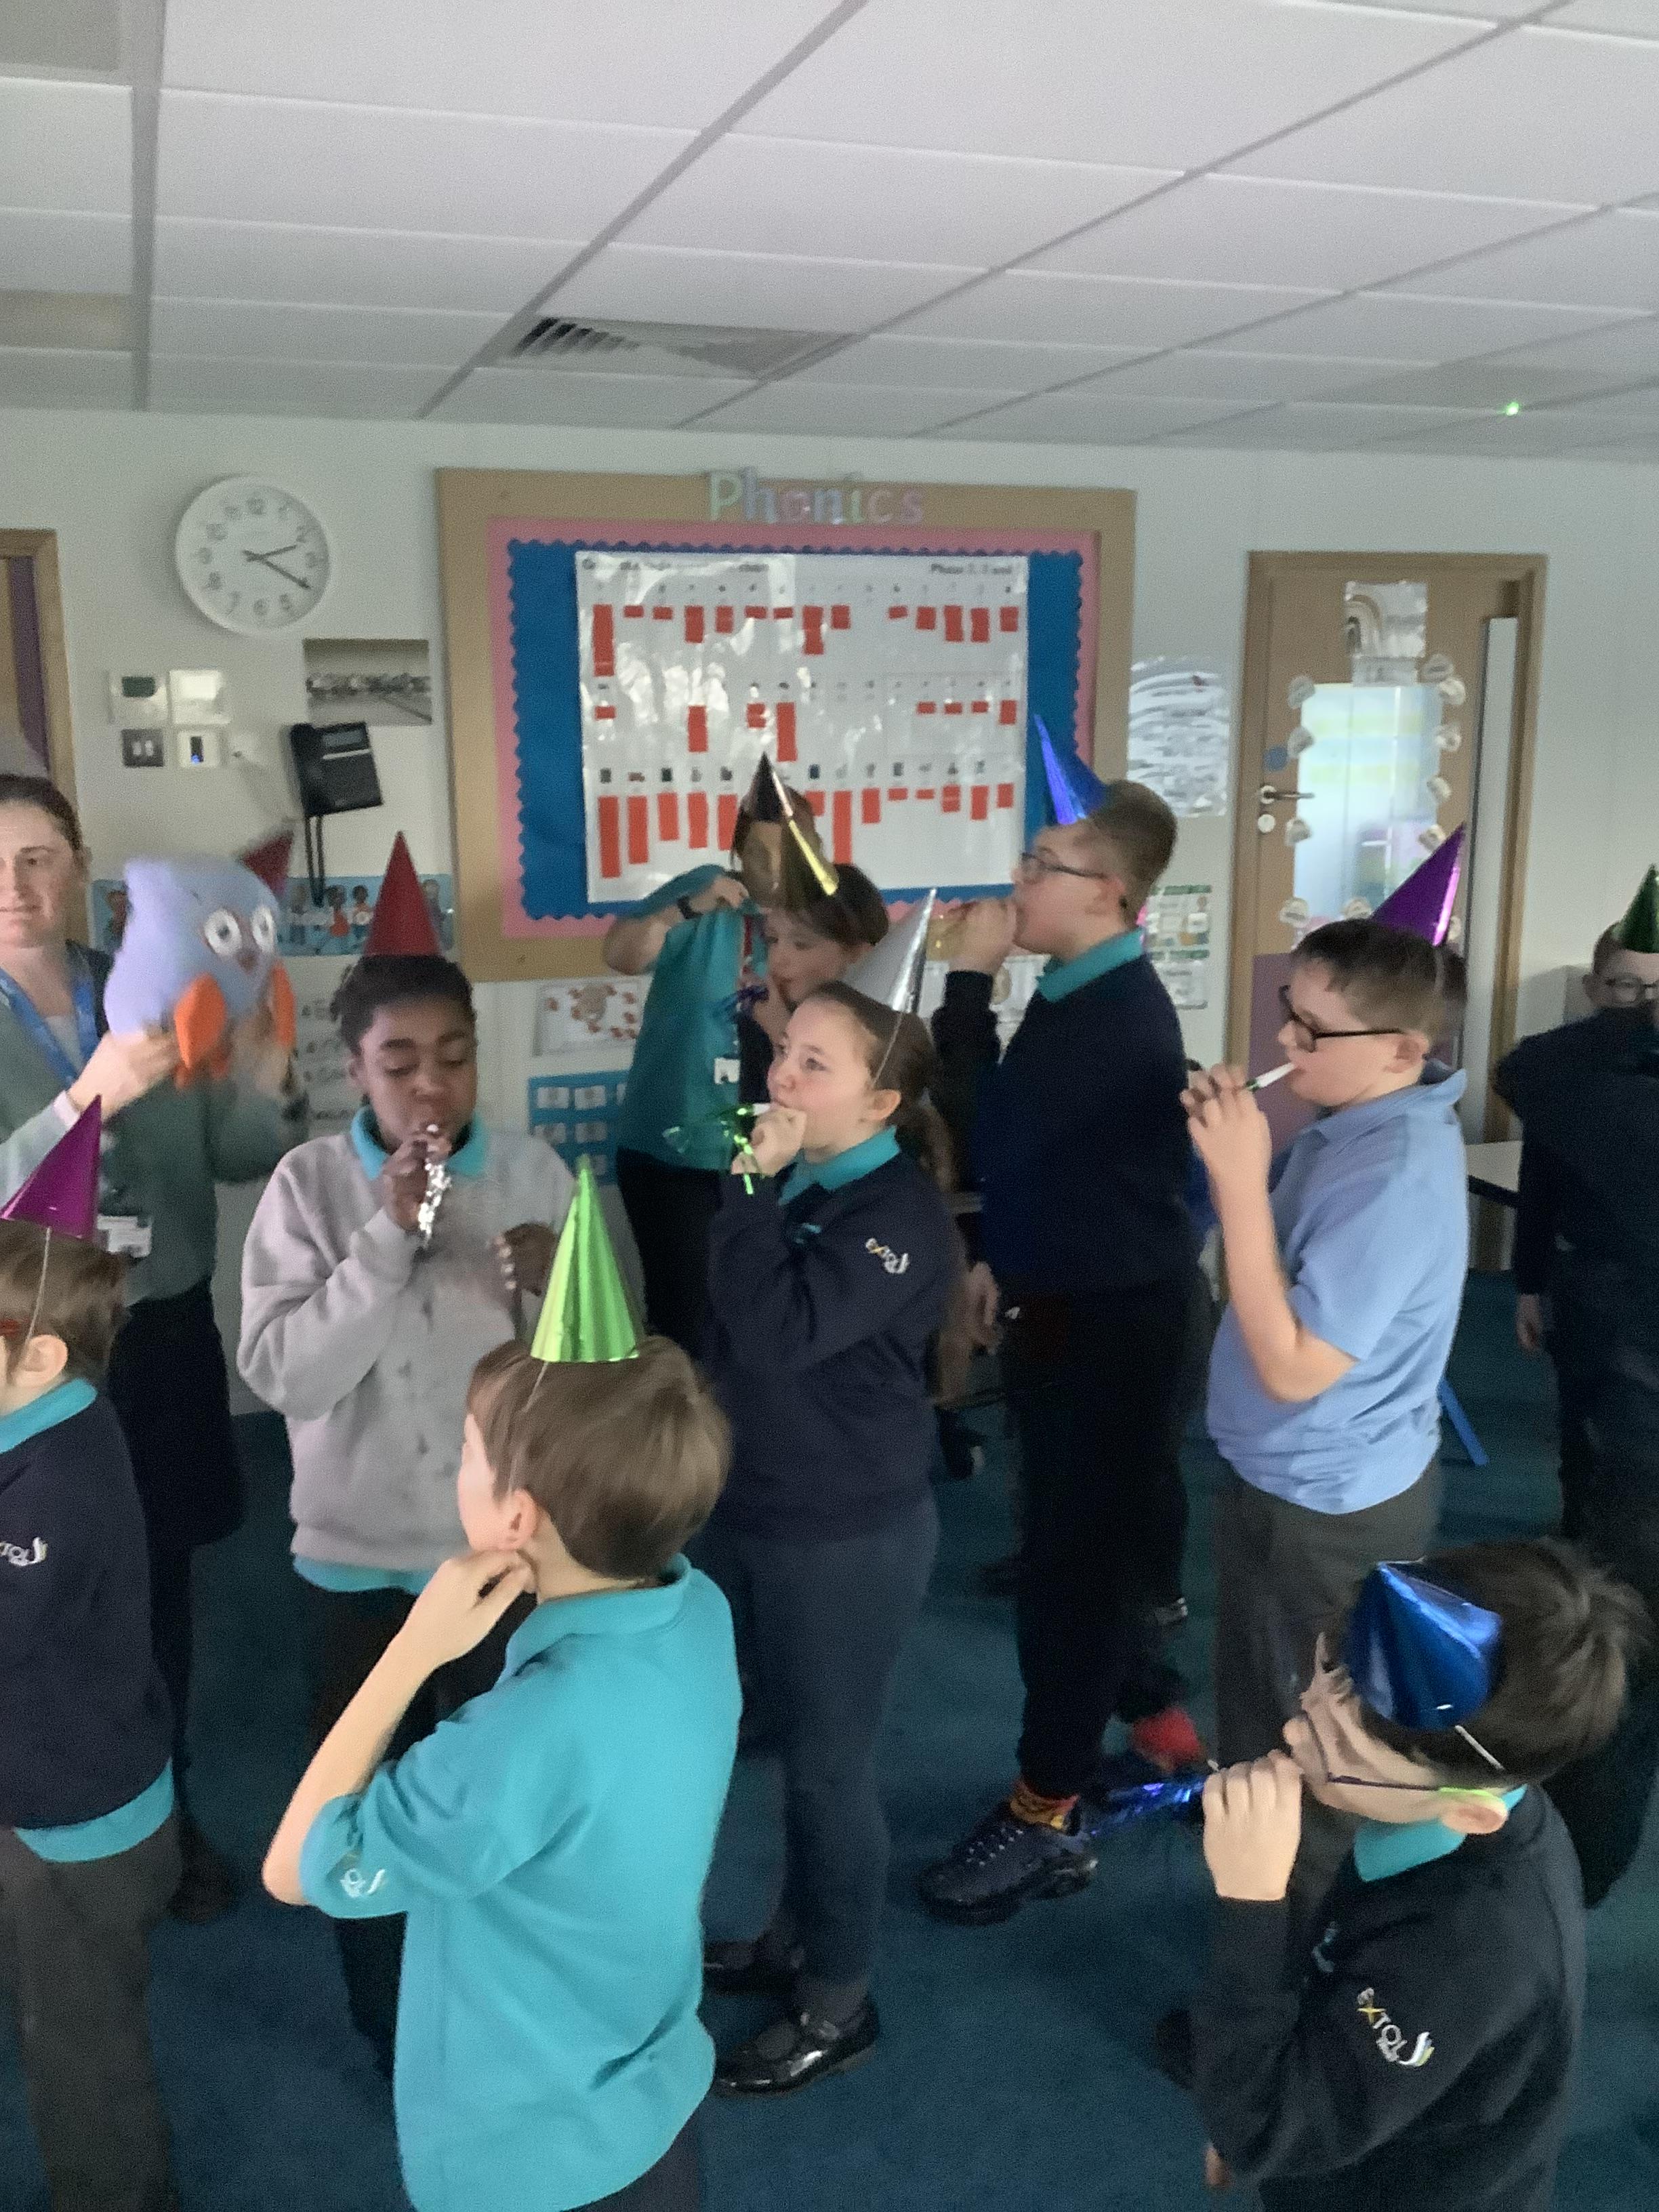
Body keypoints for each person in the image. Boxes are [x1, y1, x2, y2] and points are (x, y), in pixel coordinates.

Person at [263, 1334, 739, 2212]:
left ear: (517, 1519)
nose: (458, 1468)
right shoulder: (699, 1610)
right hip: (650, 2095)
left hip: (529, 2156)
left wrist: (410, 1653)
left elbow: (297, 1868)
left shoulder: (521, 1737)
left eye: (467, 1452)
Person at [239, 950, 573, 2074]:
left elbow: (595, 1371)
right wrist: (383, 1238)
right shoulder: (307, 1186)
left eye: (454, 1057)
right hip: (355, 1557)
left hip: (498, 1557)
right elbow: (289, 1377)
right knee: (366, 1801)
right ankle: (389, 2022)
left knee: (498, 1793)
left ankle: (495, 1995)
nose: (431, 1085)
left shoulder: (531, 1171)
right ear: (355, 1070)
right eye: (399, 1063)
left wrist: (556, 1287)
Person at [0, 772, 306, 1923]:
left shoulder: (150, 977)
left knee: (158, 1579)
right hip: (25, 1358)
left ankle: (161, 1809)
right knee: (30, 1595)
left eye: (38, 857)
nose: (16, 885)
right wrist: (82, 1097)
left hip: (161, 1328)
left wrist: (266, 1079)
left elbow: (235, 1154)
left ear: (80, 867)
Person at [920, 782, 1206, 1926]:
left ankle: (1047, 1811)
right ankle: (1158, 1726)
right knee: (1085, 1545)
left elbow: (978, 1126)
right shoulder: (1079, 988)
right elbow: (1042, 1161)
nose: (1018, 881)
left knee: (1070, 1575)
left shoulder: (1114, 1017)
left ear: (1111, 895)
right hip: (1071, 1291)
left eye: (1042, 864)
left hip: (1112, 1323)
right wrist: (1004, 1254)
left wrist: (965, 983)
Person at [1178, 1539, 1645, 2212]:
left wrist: (1252, 1905)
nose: (1298, 1729)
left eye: (1343, 1747)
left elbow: (1264, 2130)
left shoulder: (1470, 1957)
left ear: (1470, 1813)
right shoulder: (1444, 1813)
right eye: (1326, 1670)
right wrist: (1250, 2088)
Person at [698, 981, 958, 2092]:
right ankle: (787, 1938)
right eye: (784, 1051)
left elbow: (776, 1329)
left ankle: (837, 2000)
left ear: (882, 1102)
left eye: (815, 1063)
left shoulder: (898, 1217)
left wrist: (746, 1187)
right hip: (759, 1502)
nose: (782, 1077)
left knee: (827, 1771)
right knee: (787, 1746)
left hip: (846, 1530)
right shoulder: (804, 1176)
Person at [1188, 918, 1469, 1915]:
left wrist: (1236, 1181)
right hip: (1289, 1474)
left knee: (1314, 1747)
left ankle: (1286, 1958)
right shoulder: (1354, 1121)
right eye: (1288, 1013)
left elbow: (1295, 1366)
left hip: (1326, 1501)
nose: (1285, 1044)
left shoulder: (1391, 1173)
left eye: (1315, 1030)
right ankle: (1260, 1869)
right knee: (1261, 1711)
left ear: (1402, 1051)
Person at [0, 1195, 180, 2212]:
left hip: (76, 1826)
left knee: (82, 2061)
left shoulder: (57, 1488)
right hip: (40, 1784)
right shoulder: (38, 1422)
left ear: (39, 1357)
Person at [1494, 865, 1659, 1906]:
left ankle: (1583, 1862)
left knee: (1627, 1648)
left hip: (1641, 1416)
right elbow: (1538, 1102)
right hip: (1609, 1364)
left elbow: (1535, 1066)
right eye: (1623, 988)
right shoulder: (1609, 1093)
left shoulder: (1616, 1097)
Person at [605, 776, 827, 1354]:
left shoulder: (819, 926)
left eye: (790, 851)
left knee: (763, 1313)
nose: (772, 871)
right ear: (737, 852)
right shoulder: (707, 896)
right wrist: (687, 908)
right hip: (675, 1154)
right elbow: (620, 954)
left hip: (779, 1154)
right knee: (686, 1321)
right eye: (758, 853)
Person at [737, 862, 889, 1103]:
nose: (778, 958)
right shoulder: (756, 1021)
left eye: (802, 944)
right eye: (772, 940)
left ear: (857, 954)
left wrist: (781, 1031)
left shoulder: (890, 1034)